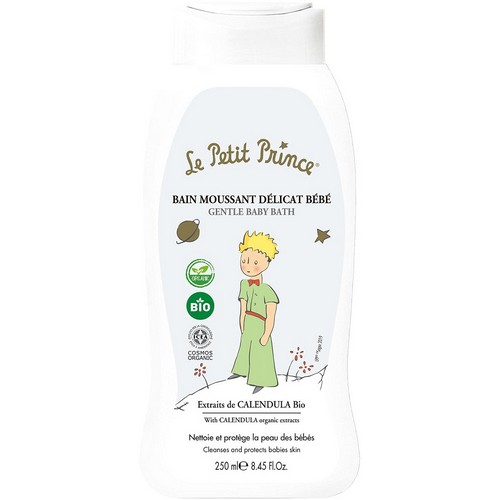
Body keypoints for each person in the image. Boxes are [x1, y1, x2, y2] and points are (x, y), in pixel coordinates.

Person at [229, 231, 279, 394]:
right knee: (245, 347)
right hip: (248, 322)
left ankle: (261, 379)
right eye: (244, 261)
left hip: (260, 324)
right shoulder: (244, 284)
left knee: (260, 350)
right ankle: (241, 370)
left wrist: (266, 333)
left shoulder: (267, 290)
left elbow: (271, 315)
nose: (248, 266)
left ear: (267, 262)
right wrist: (242, 323)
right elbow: (242, 307)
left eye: (254, 262)